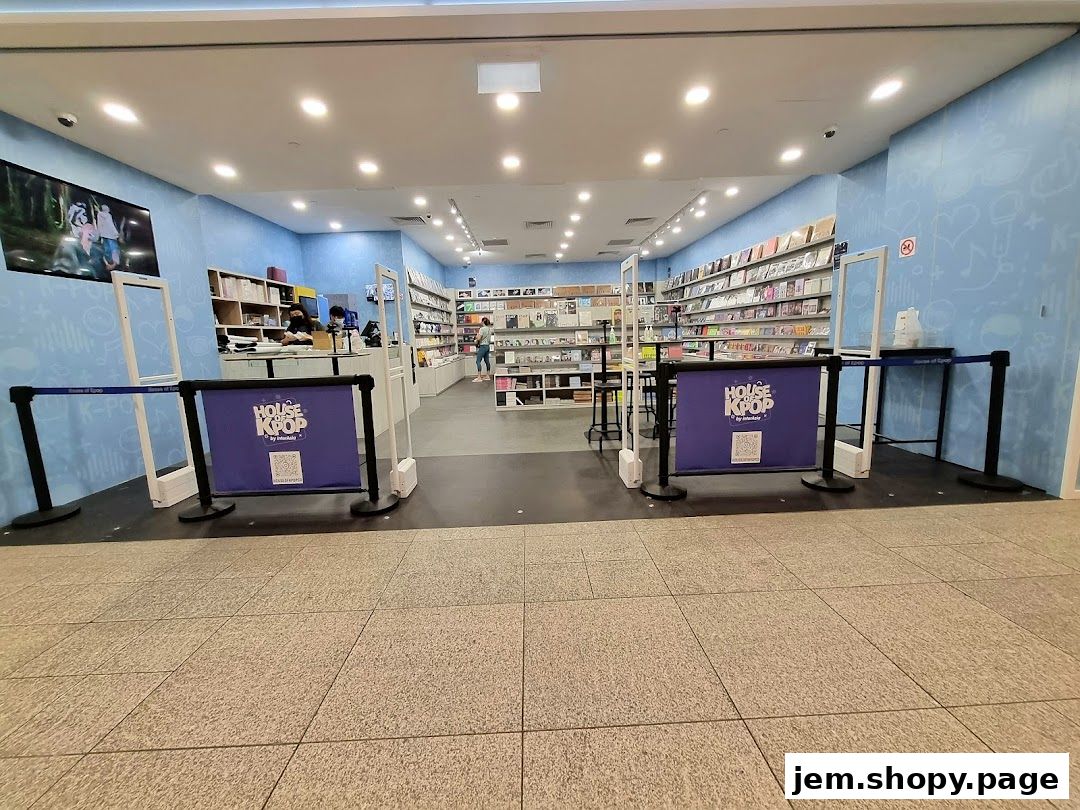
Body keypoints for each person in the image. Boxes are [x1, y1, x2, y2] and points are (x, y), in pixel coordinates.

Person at [473, 316, 493, 382]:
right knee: (487, 361)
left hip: (482, 346)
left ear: (483, 322)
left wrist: (476, 336)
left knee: (478, 361)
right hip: (487, 346)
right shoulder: (490, 329)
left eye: (481, 321)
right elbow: (489, 340)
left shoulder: (482, 329)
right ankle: (488, 375)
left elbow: (478, 338)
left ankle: (479, 377)